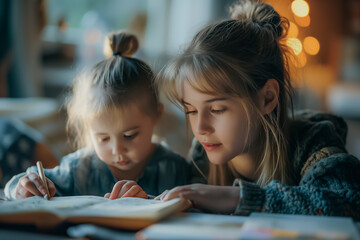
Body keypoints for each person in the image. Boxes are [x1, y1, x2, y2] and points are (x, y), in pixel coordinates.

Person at [155, 0, 360, 219]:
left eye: (216, 109)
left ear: (267, 98)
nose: (200, 128)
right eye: (191, 111)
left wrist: (238, 198)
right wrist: (138, 194)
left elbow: (349, 202)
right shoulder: (201, 157)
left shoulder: (313, 143)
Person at [5, 31, 190, 200]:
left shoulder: (174, 170)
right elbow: (19, 184)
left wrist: (148, 203)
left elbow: (199, 207)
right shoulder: (80, 169)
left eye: (129, 135)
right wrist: (21, 187)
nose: (117, 150)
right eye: (103, 138)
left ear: (156, 115)